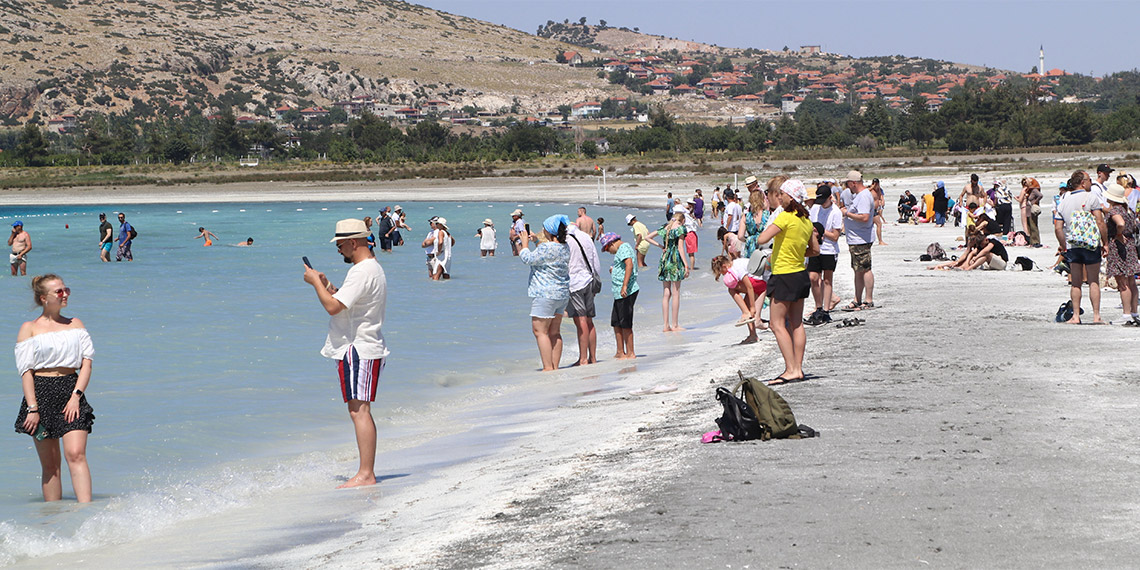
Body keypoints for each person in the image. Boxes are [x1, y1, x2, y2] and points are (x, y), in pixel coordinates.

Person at [303, 219, 388, 488]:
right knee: (359, 409)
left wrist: (315, 284)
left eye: (340, 245)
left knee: (359, 410)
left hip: (358, 347)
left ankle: (366, 473)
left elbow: (333, 308)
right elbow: (347, 301)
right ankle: (366, 472)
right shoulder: (370, 268)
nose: (339, 250)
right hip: (363, 346)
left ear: (353, 242)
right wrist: (327, 285)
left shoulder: (361, 271)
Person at [14, 274, 96, 502]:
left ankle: (86, 512)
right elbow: (26, 372)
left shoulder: (75, 324)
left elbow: (87, 363)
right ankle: (54, 517)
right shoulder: (29, 328)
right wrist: (32, 408)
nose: (65, 294)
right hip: (40, 394)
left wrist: (76, 396)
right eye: (59, 291)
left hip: (71, 389)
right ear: (43, 298)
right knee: (51, 466)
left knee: (76, 454)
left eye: (66, 289)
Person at [753, 180, 819, 385]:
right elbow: (815, 250)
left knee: (777, 324)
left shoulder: (785, 217)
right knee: (797, 323)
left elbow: (762, 239)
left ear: (791, 197)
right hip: (800, 274)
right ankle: (797, 368)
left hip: (784, 274)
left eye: (782, 194)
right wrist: (795, 251)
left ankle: (791, 369)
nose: (779, 197)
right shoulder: (806, 221)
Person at [1054, 170, 1107, 325]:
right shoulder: (1091, 197)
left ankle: (1075, 316)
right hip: (1091, 243)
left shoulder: (1064, 200)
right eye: (1089, 180)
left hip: (1073, 245)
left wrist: (1063, 245)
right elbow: (1100, 222)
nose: (1091, 182)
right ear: (1082, 182)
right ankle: (1096, 316)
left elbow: (1058, 227)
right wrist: (1105, 243)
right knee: (1093, 281)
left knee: (1076, 282)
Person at [519, 215, 571, 371]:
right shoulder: (565, 247)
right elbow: (547, 254)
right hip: (561, 293)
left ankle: (548, 368)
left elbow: (527, 258)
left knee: (539, 331)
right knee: (555, 332)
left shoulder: (546, 248)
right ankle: (554, 366)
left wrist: (525, 244)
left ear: (549, 231)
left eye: (544, 228)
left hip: (545, 294)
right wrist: (536, 242)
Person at [645, 211, 691, 332]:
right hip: (675, 260)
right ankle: (675, 325)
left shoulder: (666, 227)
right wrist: (686, 265)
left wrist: (661, 246)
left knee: (666, 293)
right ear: (683, 220)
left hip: (665, 259)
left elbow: (647, 237)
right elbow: (680, 248)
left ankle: (666, 325)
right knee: (676, 293)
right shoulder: (680, 229)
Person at [1102, 184, 1140, 325]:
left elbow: (1120, 223)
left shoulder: (1115, 211)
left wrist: (1118, 234)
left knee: (1122, 282)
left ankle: (1126, 315)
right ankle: (1134, 312)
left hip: (1119, 247)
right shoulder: (1127, 210)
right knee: (1131, 281)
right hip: (1130, 245)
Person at [566, 220, 602, 365]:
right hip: (588, 280)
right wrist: (595, 284)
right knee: (589, 320)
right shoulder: (586, 237)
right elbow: (595, 261)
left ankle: (583, 359)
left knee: (580, 320)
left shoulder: (566, 240)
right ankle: (592, 357)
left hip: (575, 283)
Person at [839, 170, 876, 310]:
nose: (847, 186)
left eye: (848, 183)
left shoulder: (864, 196)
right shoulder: (860, 196)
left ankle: (868, 300)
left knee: (865, 269)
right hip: (855, 238)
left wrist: (847, 213)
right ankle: (857, 299)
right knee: (858, 270)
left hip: (861, 238)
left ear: (853, 183)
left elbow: (864, 217)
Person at [806, 186, 842, 325]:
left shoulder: (836, 212)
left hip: (829, 249)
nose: (821, 204)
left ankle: (826, 311)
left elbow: (835, 236)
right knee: (813, 277)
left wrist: (821, 231)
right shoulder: (815, 208)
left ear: (830, 198)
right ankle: (818, 307)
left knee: (827, 280)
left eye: (824, 201)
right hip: (816, 248)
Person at [710, 254, 766, 344]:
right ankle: (753, 335)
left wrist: (753, 307)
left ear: (724, 266)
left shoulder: (737, 267)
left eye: (721, 272)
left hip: (760, 282)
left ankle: (746, 313)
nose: (722, 274)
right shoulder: (733, 266)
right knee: (745, 305)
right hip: (756, 282)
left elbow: (749, 287)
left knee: (731, 289)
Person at [600, 232, 637, 360]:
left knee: (625, 322)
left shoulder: (624, 247)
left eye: (607, 248)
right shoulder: (621, 250)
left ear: (611, 243)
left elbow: (629, 264)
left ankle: (630, 352)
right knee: (616, 322)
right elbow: (622, 266)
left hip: (626, 291)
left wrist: (624, 285)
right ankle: (620, 351)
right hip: (618, 293)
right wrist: (614, 270)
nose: (608, 252)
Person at [1017, 178, 1044, 246]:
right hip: (1027, 210)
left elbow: (1040, 195)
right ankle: (1031, 241)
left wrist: (1035, 202)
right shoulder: (1029, 190)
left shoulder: (1034, 190)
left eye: (1026, 183)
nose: (1026, 184)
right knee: (1029, 226)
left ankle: (1036, 241)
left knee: (1033, 226)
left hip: (1032, 210)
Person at [868, 178, 888, 245]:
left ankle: (878, 240)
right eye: (875, 183)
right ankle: (880, 241)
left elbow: (880, 196)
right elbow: (863, 192)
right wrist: (872, 187)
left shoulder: (878, 190)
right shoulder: (869, 189)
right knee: (878, 224)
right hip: (870, 210)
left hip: (875, 209)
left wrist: (882, 201)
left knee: (874, 225)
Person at [682, 199, 700, 270]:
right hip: (693, 234)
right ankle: (691, 268)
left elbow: (680, 209)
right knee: (691, 254)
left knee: (691, 254)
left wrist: (687, 206)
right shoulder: (691, 215)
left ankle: (691, 268)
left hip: (689, 234)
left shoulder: (687, 215)